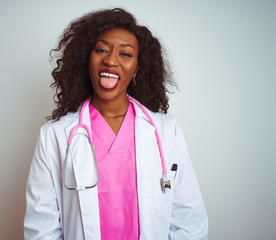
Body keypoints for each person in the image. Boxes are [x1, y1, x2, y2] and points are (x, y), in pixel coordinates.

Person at [24, 8, 208, 240]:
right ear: (86, 59)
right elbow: (42, 227)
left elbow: (189, 220)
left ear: (138, 68)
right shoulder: (56, 135)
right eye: (101, 50)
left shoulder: (166, 131)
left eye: (126, 54)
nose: (111, 60)